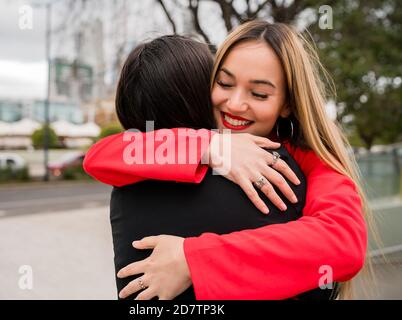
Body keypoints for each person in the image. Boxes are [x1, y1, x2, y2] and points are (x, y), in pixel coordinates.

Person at [84, 20, 369, 300]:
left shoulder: (310, 162)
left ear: (287, 104)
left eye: (258, 93)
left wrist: (194, 260)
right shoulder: (209, 143)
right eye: (224, 83)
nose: (234, 104)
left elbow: (343, 243)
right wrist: (210, 145)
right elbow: (99, 157)